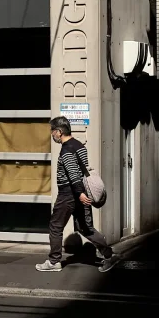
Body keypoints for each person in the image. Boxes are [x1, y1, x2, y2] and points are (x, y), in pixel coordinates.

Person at [36, 116, 119, 274]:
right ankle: (109, 255)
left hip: (69, 193)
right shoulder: (80, 145)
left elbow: (73, 173)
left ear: (59, 132)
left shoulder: (66, 149)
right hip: (80, 192)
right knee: (85, 227)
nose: (51, 135)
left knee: (55, 226)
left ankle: (54, 262)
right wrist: (81, 192)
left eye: (52, 131)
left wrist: (79, 193)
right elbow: (83, 169)